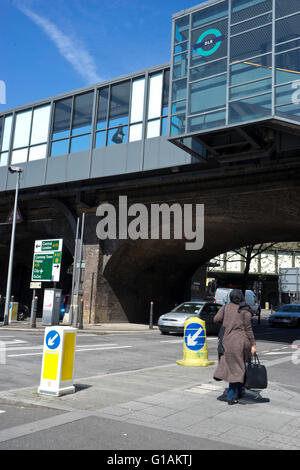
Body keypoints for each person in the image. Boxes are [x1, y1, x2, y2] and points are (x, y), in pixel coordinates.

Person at [213, 289, 257, 405]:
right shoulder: (245, 310)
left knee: (234, 367)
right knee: (238, 368)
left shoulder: (225, 307)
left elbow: (216, 319)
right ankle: (231, 397)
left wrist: (226, 325)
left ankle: (239, 391)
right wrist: (253, 344)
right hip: (241, 342)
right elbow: (248, 329)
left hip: (227, 341)